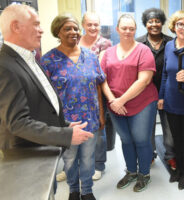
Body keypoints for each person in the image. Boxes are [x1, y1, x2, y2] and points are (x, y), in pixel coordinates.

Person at [0, 5, 93, 150]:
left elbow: (38, 107)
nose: (41, 30)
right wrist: (65, 135)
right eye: (36, 25)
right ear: (16, 27)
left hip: (40, 150)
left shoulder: (29, 58)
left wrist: (64, 125)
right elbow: (18, 123)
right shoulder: (4, 66)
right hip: (25, 155)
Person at [40, 13, 107, 200]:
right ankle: (73, 191)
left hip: (91, 119)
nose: (73, 32)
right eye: (67, 28)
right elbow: (45, 95)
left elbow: (98, 86)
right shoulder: (48, 60)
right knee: (69, 160)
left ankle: (86, 190)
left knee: (88, 159)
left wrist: (101, 114)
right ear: (58, 32)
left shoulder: (91, 57)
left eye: (76, 28)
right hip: (66, 123)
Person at [100, 14, 158, 192]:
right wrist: (112, 100)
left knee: (141, 139)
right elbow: (102, 80)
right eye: (124, 28)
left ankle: (144, 174)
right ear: (117, 29)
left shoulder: (143, 50)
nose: (127, 31)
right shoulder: (107, 53)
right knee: (125, 140)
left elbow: (144, 80)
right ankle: (131, 172)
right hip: (115, 104)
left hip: (142, 103)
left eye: (131, 28)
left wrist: (121, 100)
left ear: (135, 30)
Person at [55, 12, 113, 182]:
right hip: (74, 95)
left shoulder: (105, 43)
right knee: (73, 133)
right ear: (83, 25)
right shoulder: (75, 40)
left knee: (98, 133)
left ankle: (98, 165)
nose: (93, 28)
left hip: (98, 90)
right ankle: (70, 168)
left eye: (96, 24)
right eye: (89, 24)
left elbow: (101, 73)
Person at [158, 10, 184, 190]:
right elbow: (165, 75)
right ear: (174, 27)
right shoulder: (169, 46)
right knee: (175, 139)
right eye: (180, 24)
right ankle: (178, 170)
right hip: (171, 101)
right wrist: (161, 97)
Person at [135, 8, 175, 169]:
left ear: (162, 23)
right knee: (147, 128)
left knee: (169, 128)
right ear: (145, 24)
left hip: (167, 92)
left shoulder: (171, 42)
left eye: (157, 21)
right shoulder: (138, 43)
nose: (154, 24)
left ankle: (171, 156)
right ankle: (149, 154)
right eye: (150, 21)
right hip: (145, 93)